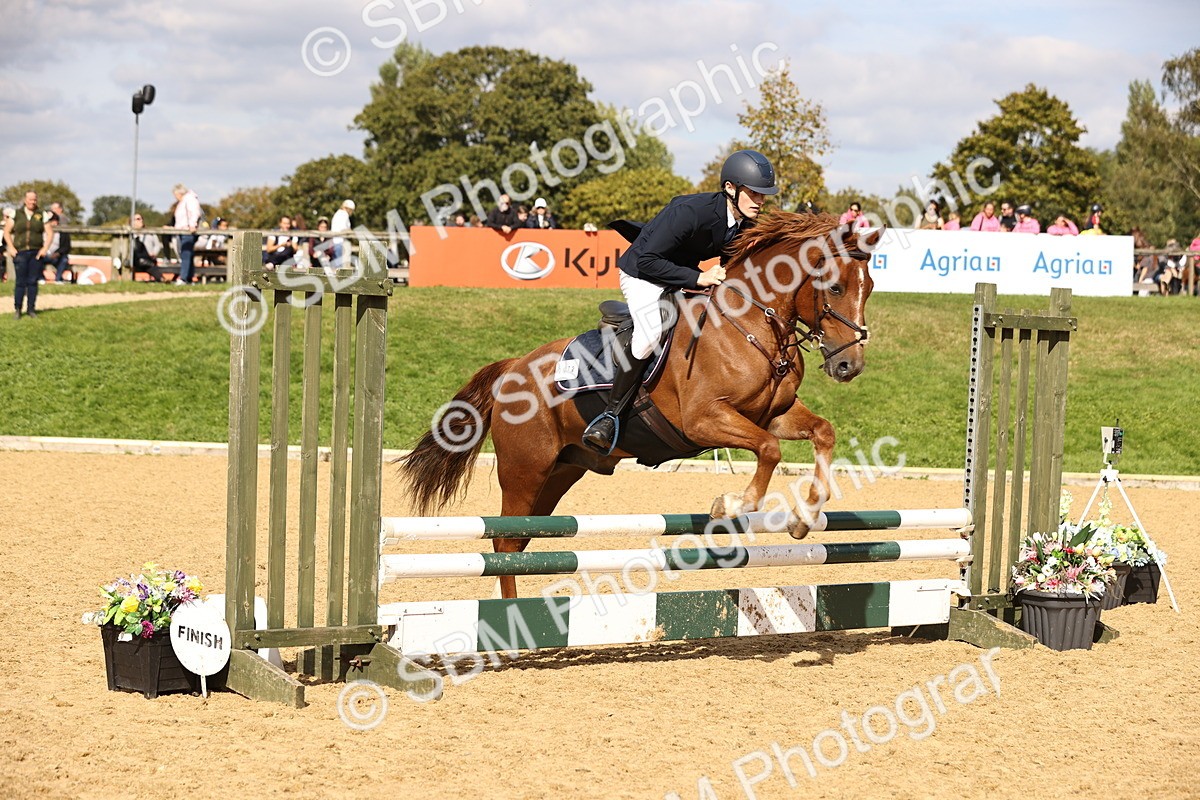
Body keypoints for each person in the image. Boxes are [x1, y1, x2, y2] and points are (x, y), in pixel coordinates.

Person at [580, 149, 777, 454]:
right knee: (649, 335)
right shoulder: (689, 211)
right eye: (754, 193)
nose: (760, 200)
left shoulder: (742, 222)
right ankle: (609, 417)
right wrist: (698, 279)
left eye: (764, 195)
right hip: (642, 274)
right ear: (730, 189)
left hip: (681, 273)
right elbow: (646, 261)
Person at [3, 191, 52, 318]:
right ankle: (18, 309)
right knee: (20, 282)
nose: (32, 202)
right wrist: (11, 247)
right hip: (20, 252)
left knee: (32, 281)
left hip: (36, 252)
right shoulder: (16, 214)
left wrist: (44, 248)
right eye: (30, 199)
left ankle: (31, 309)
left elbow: (50, 233)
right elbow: (7, 232)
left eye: (34, 199)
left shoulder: (42, 215)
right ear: (25, 200)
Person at [172, 183, 202, 284]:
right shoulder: (186, 200)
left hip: (187, 231)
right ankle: (189, 277)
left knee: (186, 254)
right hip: (183, 230)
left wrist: (192, 225)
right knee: (187, 254)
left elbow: (194, 212)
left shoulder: (189, 199)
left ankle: (183, 277)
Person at [44, 202, 73, 283]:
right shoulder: (43, 231)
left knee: (64, 259)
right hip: (45, 254)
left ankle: (58, 279)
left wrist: (57, 253)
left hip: (57, 255)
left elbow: (66, 246)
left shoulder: (62, 222)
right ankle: (40, 278)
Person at [130, 213, 164, 281]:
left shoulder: (150, 233)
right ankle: (161, 278)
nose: (141, 220)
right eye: (138, 219)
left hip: (150, 258)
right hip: (135, 260)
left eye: (142, 219)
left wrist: (154, 253)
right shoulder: (130, 235)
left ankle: (160, 278)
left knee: (147, 263)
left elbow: (157, 245)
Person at [331, 199, 354, 267]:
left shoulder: (338, 213)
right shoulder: (344, 214)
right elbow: (345, 229)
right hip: (340, 242)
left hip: (335, 242)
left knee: (337, 265)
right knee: (340, 268)